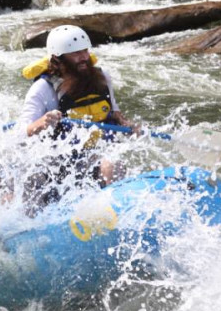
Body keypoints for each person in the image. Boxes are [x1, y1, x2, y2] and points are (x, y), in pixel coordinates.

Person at [18, 24, 135, 188]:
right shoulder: (43, 89)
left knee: (113, 163)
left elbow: (114, 112)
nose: (84, 58)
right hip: (60, 163)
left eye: (85, 51)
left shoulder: (102, 78)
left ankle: (114, 206)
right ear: (58, 58)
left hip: (96, 155)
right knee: (32, 178)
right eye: (76, 53)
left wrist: (128, 125)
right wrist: (41, 122)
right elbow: (20, 133)